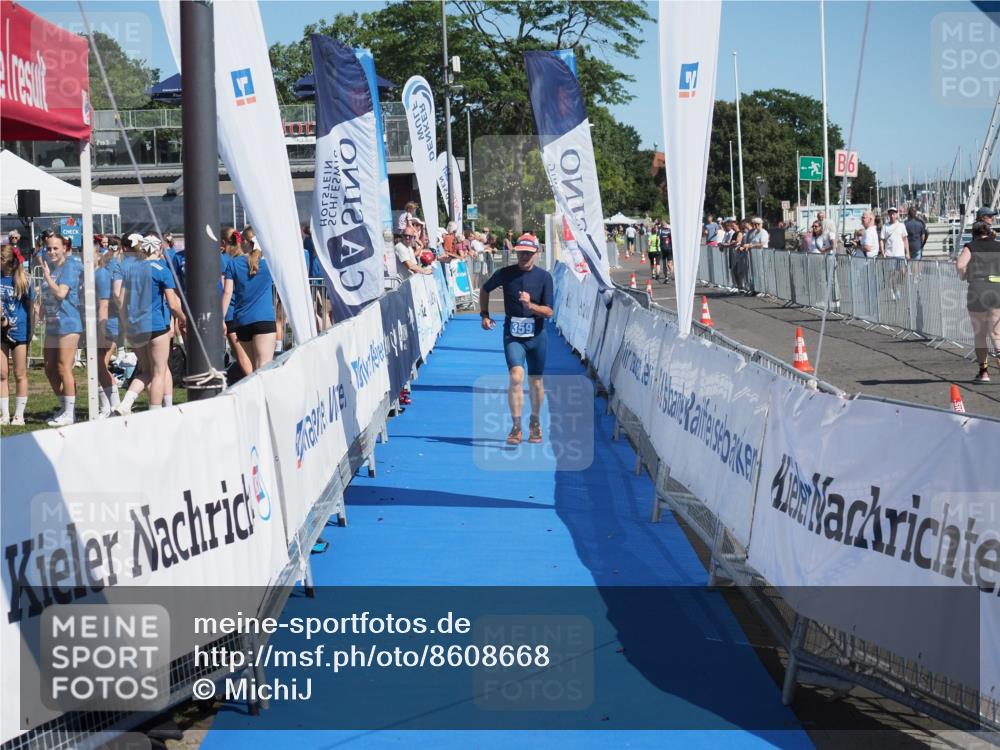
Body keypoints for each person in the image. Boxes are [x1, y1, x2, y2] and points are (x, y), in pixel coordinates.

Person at [479, 232, 554, 446]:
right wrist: (484, 314)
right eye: (521, 252)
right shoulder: (505, 273)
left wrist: (530, 306)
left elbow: (549, 312)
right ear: (516, 252)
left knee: (536, 382)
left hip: (537, 336)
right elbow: (485, 289)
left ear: (536, 253)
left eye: (529, 253)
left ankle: (535, 421)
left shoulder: (544, 277)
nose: (524, 256)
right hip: (513, 334)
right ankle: (516, 426)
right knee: (516, 377)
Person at [116, 235, 186, 415]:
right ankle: (155, 412)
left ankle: (125, 403)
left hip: (135, 327)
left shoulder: (131, 270)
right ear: (159, 250)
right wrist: (183, 319)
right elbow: (173, 304)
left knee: (145, 370)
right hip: (156, 326)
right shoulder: (162, 270)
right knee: (158, 372)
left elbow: (122, 302)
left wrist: (125, 326)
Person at [38, 233, 83, 426]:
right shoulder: (54, 267)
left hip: (68, 323)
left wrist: (47, 276)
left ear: (64, 248)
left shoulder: (70, 266)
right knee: (49, 368)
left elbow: (61, 292)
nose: (51, 251)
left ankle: (70, 413)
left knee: (63, 367)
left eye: (56, 248)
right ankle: (64, 406)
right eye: (49, 248)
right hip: (53, 324)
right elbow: (49, 294)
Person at [222, 238, 277, 372]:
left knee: (254, 370)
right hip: (264, 319)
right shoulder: (270, 263)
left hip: (242, 321)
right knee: (264, 368)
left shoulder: (233, 264)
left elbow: (227, 292)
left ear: (246, 243)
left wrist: (220, 318)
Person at [956, 221, 1000, 383]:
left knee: (980, 334)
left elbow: (960, 265)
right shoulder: (998, 246)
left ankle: (984, 373)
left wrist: (964, 276)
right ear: (989, 232)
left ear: (974, 234)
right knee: (997, 333)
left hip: (978, 289)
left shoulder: (971, 246)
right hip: (997, 289)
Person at [1, 244, 33, 425]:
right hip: (1, 331)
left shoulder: (23, 279)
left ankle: (19, 415)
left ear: (5, 261)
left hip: (19, 330)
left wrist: (30, 330)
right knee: (2, 373)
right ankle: (5, 414)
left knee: (19, 373)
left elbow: (30, 308)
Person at [94, 247, 122, 417]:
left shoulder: (102, 274)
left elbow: (104, 305)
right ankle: (106, 407)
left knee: (101, 366)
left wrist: (101, 331)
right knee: (98, 366)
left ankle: (115, 407)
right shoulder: (97, 273)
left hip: (108, 324)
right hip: (104, 323)